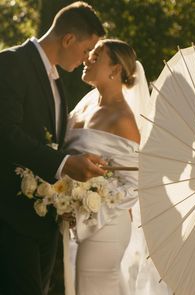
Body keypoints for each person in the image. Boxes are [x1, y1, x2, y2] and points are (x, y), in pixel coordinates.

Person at [0, 2, 106, 295]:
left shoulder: (57, 83)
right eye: (86, 50)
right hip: (10, 220)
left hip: (44, 225)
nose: (87, 58)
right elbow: (5, 132)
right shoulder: (11, 63)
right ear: (68, 39)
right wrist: (64, 164)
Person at [64, 39, 173, 295]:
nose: (87, 58)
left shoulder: (122, 118)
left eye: (97, 55)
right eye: (90, 53)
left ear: (114, 69)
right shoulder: (88, 103)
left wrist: (87, 203)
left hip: (106, 225)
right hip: (80, 222)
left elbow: (134, 184)